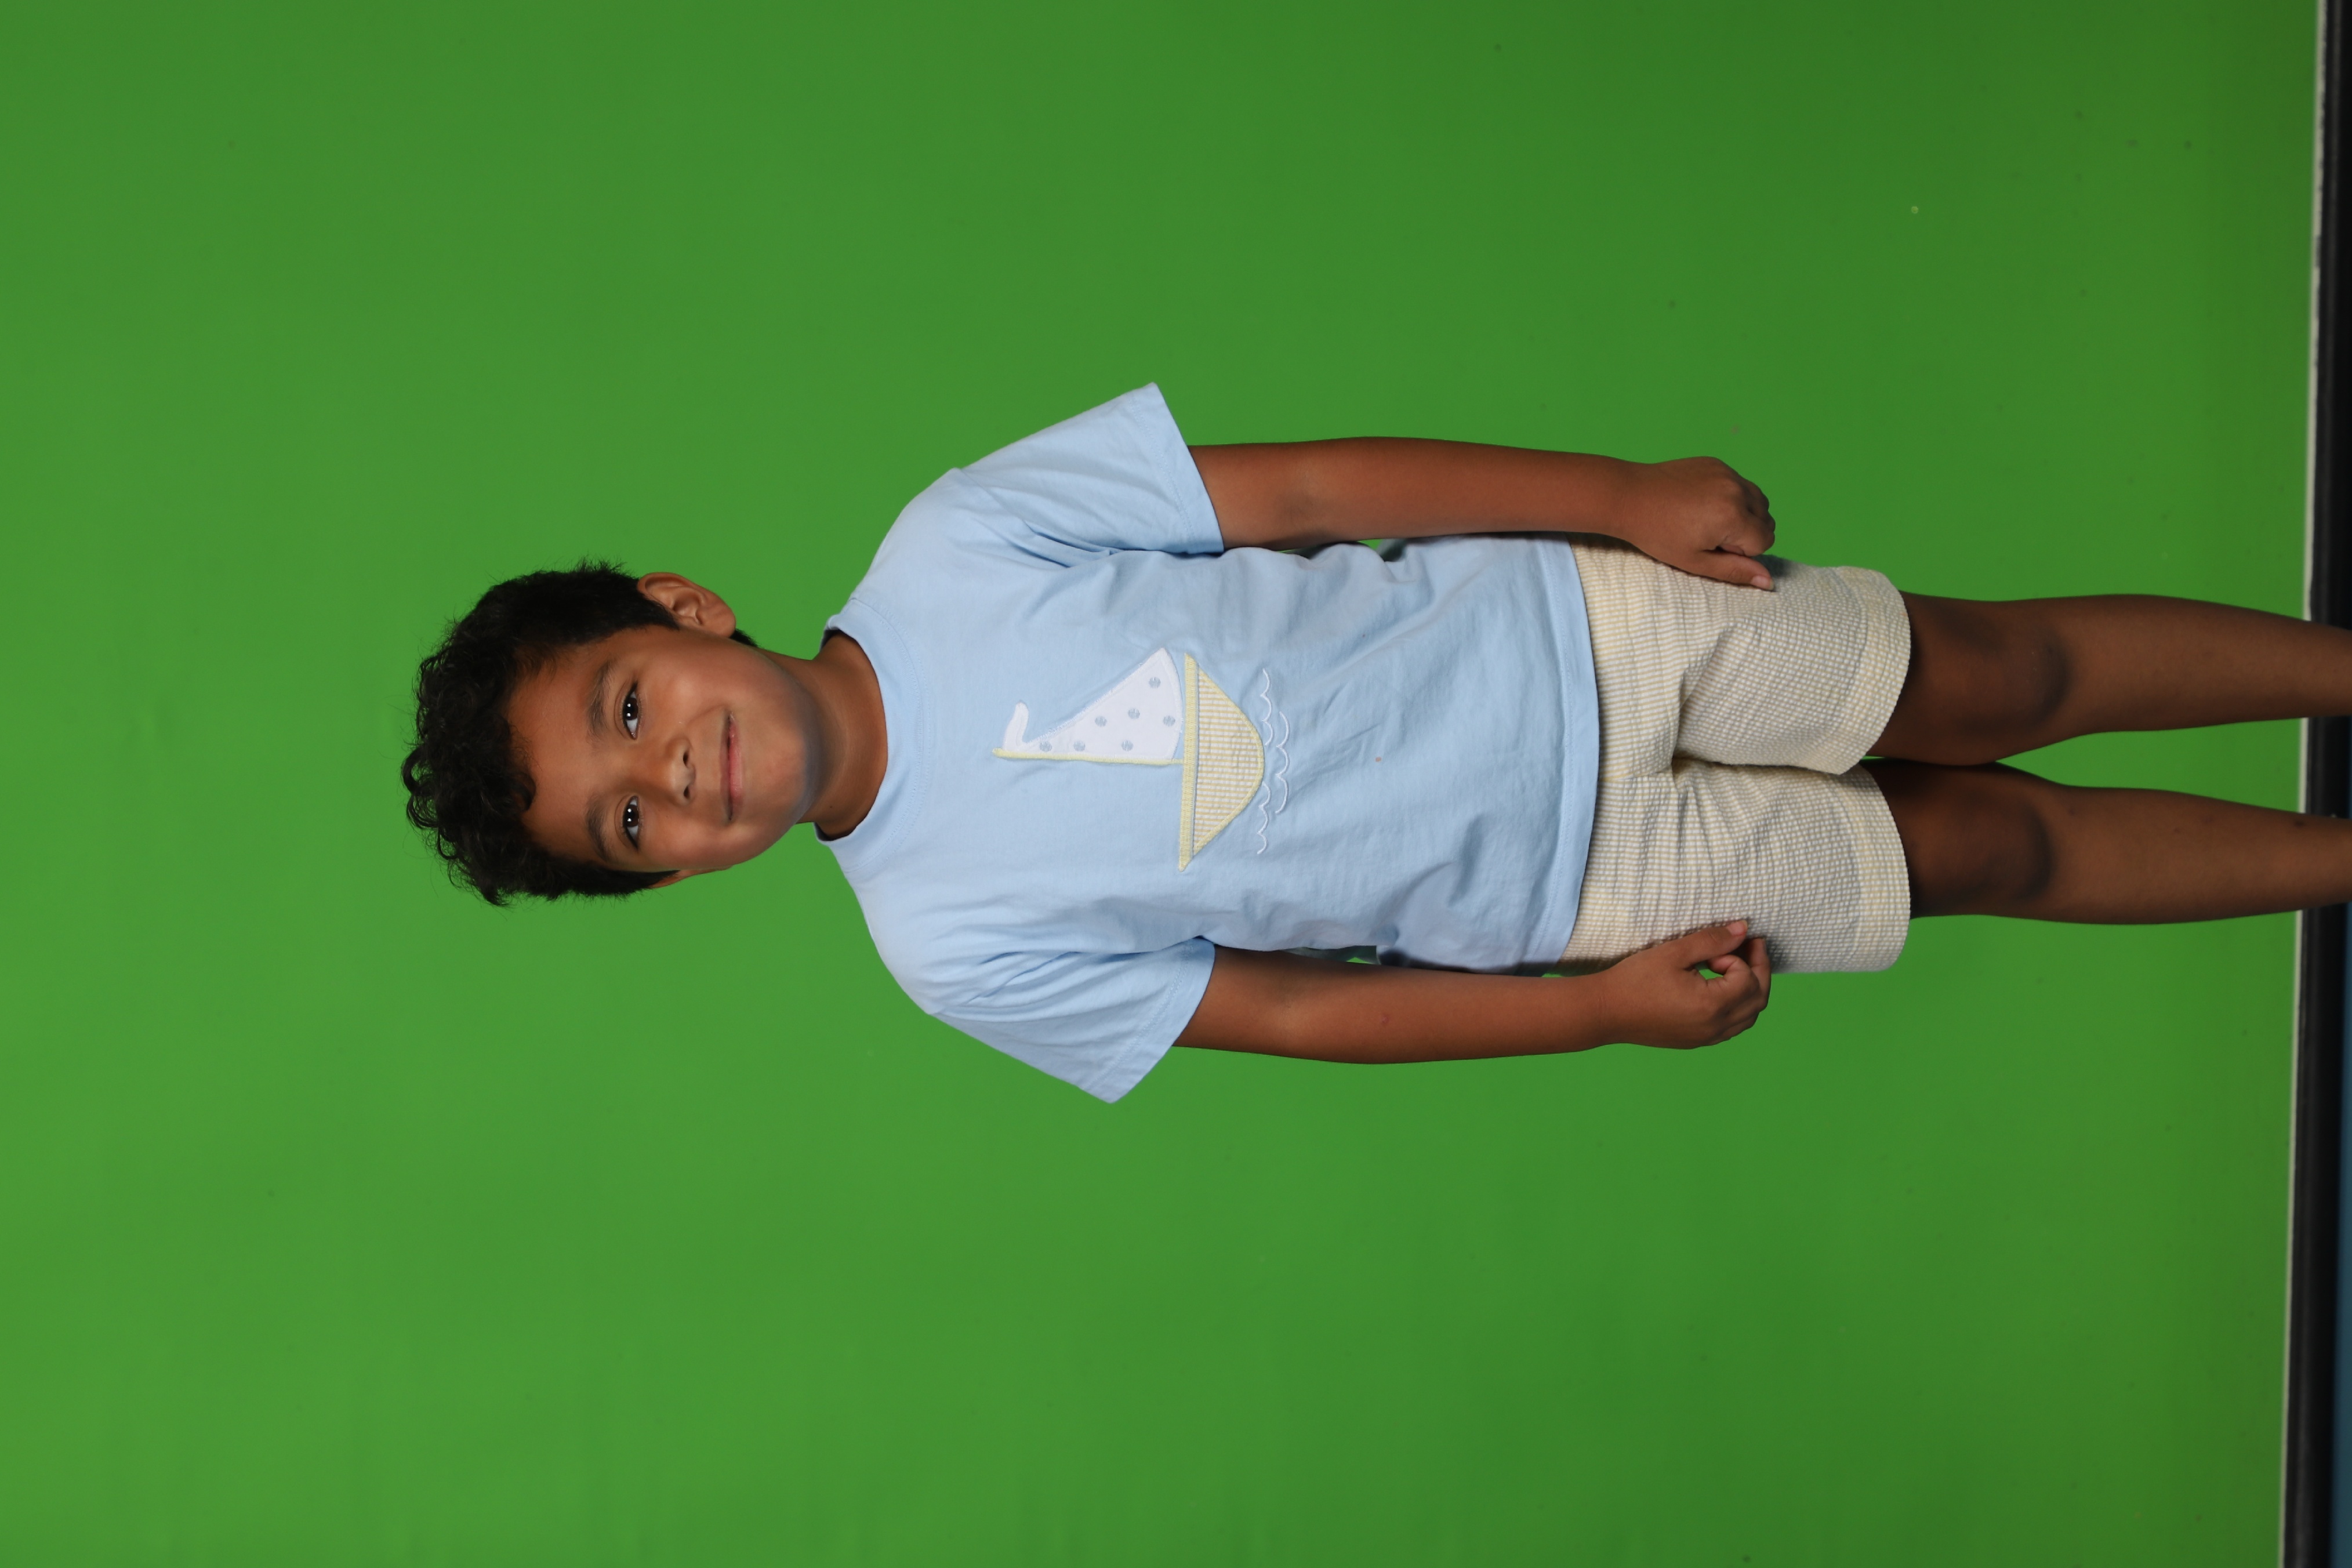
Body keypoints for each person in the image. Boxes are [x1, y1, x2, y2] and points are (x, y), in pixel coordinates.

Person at [403, 386, 2351, 1101]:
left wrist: (1614, 497)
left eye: (630, 713)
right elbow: (1299, 1011)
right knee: (1992, 853)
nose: (677, 778)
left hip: (1587, 632)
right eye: (632, 827)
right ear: (670, 873)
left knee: (1994, 678)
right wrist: (1594, 1013)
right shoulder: (946, 948)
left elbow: (1314, 492)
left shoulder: (959, 537)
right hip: (1582, 893)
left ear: (680, 611)